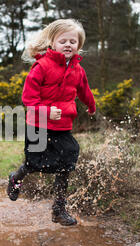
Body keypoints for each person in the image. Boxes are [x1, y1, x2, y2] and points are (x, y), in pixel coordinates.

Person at [7, 19, 96, 226]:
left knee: (67, 161)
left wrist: (91, 105)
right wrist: (46, 112)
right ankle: (16, 178)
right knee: (34, 164)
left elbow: (84, 90)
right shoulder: (41, 66)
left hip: (62, 126)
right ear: (52, 43)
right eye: (63, 40)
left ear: (78, 46)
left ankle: (58, 210)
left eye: (72, 41)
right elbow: (28, 100)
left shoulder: (78, 70)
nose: (68, 44)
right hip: (37, 124)